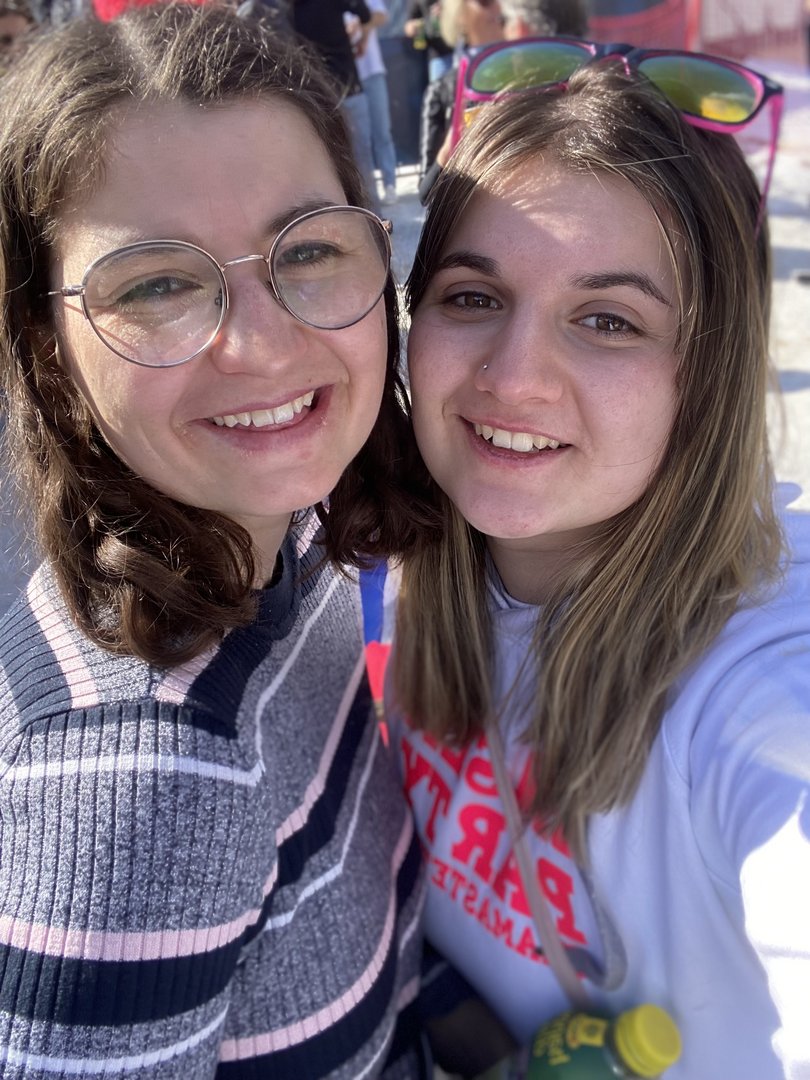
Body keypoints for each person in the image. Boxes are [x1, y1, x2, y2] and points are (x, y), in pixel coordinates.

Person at [0, 5, 430, 1076]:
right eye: (157, 283)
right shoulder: (133, 792)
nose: (264, 344)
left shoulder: (292, 541)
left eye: (310, 249)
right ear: (48, 352)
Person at [387, 56, 810, 1079]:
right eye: (473, 295)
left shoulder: (757, 680)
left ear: (705, 375)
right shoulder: (391, 563)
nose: (513, 377)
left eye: (609, 319)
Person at [292, 0, 384, 217]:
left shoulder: (289, 6)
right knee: (362, 164)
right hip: (346, 87)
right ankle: (374, 225)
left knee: (324, 168)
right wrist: (360, 33)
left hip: (315, 96)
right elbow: (365, 14)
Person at [416, 0, 503, 203]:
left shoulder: (535, 80)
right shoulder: (442, 90)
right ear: (460, 17)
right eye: (485, 2)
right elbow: (425, 194)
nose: (499, 7)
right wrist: (450, 148)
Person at [347, 0, 400, 205]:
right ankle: (368, 192)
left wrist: (362, 28)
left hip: (372, 71)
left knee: (382, 131)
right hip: (348, 78)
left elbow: (381, 15)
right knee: (360, 142)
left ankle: (390, 184)